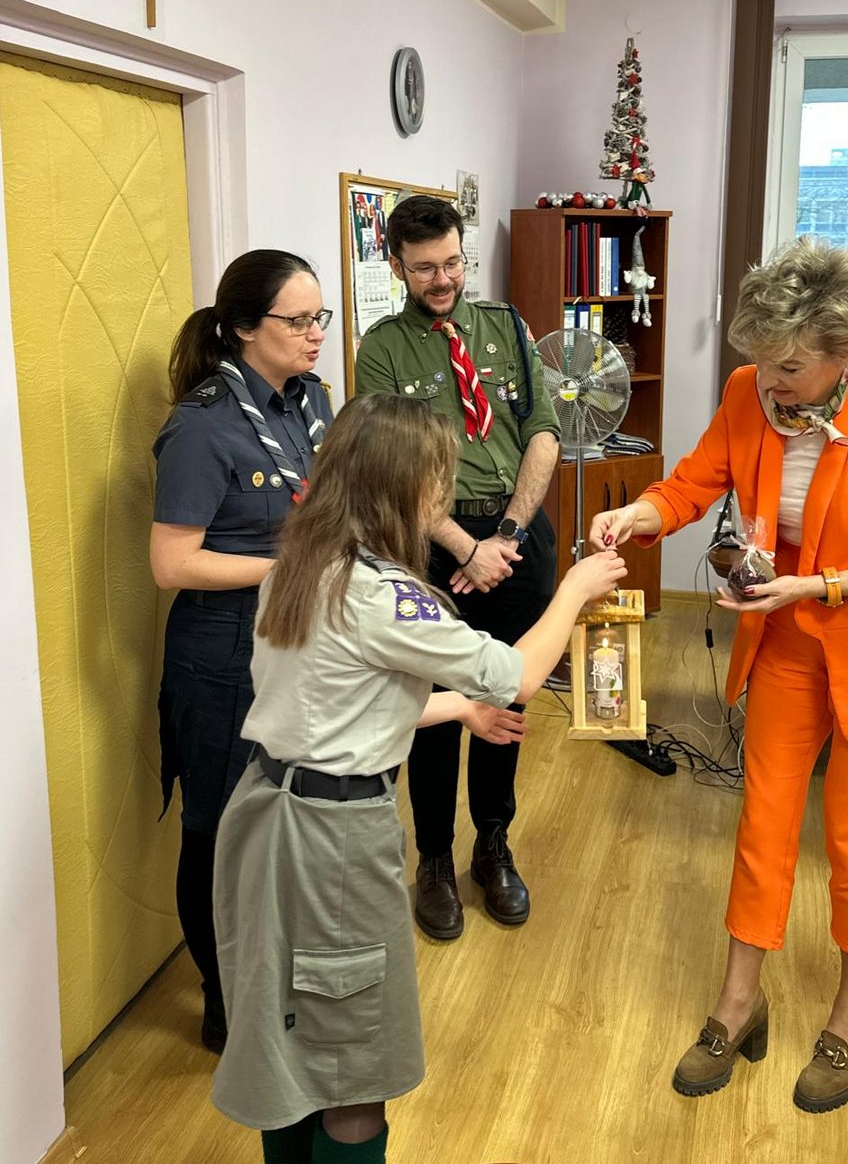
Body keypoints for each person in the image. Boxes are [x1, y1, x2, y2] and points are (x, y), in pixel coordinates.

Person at [588, 236, 848, 1114]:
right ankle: (738, 1002)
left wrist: (816, 584)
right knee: (762, 827)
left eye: (790, 367)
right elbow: (694, 482)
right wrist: (641, 513)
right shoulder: (748, 393)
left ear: (847, 349)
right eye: (763, 362)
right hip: (789, 644)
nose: (773, 382)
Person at [210, 392, 626, 1164]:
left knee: (287, 1035)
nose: (443, 497)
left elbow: (334, 711)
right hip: (332, 842)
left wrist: (458, 708)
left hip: (265, 814)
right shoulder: (385, 597)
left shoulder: (299, 567)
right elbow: (517, 675)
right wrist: (572, 589)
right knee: (354, 1064)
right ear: (404, 489)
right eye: (438, 480)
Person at [355, 195, 560, 939]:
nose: (442, 280)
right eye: (424, 269)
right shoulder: (381, 348)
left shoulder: (505, 326)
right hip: (429, 541)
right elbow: (388, 469)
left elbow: (543, 431)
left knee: (507, 694)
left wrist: (504, 535)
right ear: (396, 266)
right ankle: (436, 858)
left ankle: (493, 845)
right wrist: (464, 548)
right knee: (436, 704)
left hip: (515, 532)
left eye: (451, 263)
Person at [150, 250, 335, 1053]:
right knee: (219, 832)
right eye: (300, 320)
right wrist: (288, 569)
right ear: (244, 329)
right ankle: (222, 999)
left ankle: (272, 973)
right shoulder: (202, 425)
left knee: (284, 822)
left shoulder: (312, 400)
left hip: (300, 643)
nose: (316, 334)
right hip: (224, 657)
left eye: (320, 317)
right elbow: (172, 565)